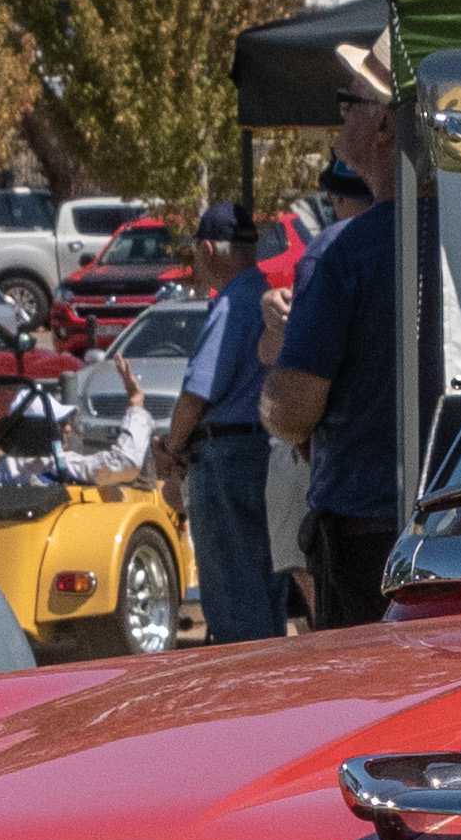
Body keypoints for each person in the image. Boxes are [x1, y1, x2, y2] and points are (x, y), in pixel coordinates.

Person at [262, 52, 405, 626]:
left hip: (366, 537)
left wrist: (275, 386)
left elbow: (294, 407)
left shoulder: (344, 251)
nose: (337, 120)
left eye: (349, 103)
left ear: (385, 122)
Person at [152, 203, 284, 643]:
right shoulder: (263, 296)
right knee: (264, 584)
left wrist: (171, 449)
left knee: (232, 594)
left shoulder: (229, 305)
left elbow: (196, 396)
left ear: (207, 249)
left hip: (226, 460)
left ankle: (245, 693)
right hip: (262, 450)